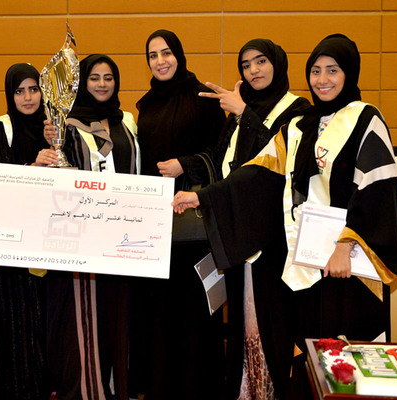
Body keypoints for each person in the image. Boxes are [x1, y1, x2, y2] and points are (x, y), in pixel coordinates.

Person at [172, 33, 397, 399]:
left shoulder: (365, 119)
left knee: (350, 355)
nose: (322, 80)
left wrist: (345, 246)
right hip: (306, 263)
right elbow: (256, 176)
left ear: (349, 72)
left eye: (332, 70)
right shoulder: (300, 126)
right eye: (315, 71)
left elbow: (377, 188)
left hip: (349, 263)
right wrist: (202, 197)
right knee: (309, 354)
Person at [161, 39, 311, 399]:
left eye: (260, 61)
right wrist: (186, 166)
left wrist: (244, 113)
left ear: (277, 64)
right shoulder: (241, 113)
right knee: (242, 321)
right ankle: (247, 390)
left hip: (273, 238)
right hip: (237, 230)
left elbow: (276, 164)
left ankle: (272, 391)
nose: (253, 70)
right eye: (246, 65)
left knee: (269, 320)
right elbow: (221, 159)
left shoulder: (297, 110)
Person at [134, 29, 226, 400]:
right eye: (153, 55)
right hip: (155, 228)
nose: (160, 61)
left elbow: (221, 154)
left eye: (166, 52)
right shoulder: (146, 105)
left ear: (179, 55)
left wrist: (184, 164)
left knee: (194, 313)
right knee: (159, 313)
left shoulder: (202, 98)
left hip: (193, 228)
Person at [41, 53, 140, 400]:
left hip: (124, 237)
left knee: (118, 313)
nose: (102, 84)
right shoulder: (65, 126)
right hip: (84, 239)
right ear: (82, 83)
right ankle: (87, 391)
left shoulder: (125, 122)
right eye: (94, 77)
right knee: (86, 316)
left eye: (108, 78)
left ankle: (116, 388)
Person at [0, 63, 49, 400]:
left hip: (48, 241)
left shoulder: (51, 129)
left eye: (33, 89)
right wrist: (33, 167)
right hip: (13, 248)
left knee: (44, 324)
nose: (27, 97)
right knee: (17, 326)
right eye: (19, 91)